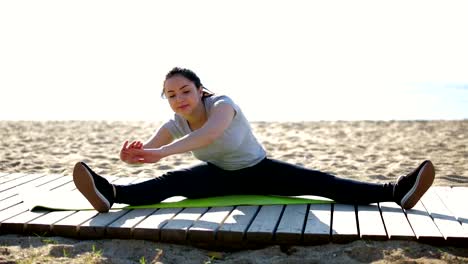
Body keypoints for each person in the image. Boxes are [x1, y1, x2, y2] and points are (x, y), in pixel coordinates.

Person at [73, 67, 436, 213]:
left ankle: (396, 191)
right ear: (166, 100)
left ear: (200, 91)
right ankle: (112, 194)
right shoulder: (175, 123)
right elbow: (150, 153)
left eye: (185, 90)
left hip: (259, 170)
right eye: (171, 94)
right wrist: (131, 156)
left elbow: (209, 134)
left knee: (325, 183)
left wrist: (160, 153)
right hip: (217, 174)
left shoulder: (222, 104)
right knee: (171, 182)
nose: (179, 98)